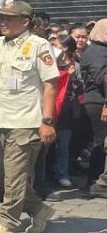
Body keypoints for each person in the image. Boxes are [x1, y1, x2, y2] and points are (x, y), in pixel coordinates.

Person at [0, 0, 60, 233]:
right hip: (0, 121)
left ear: (25, 21)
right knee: (5, 177)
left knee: (14, 178)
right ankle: (38, 209)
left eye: (9, 19)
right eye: (2, 18)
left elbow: (50, 85)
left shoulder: (38, 45)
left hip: (27, 122)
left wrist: (47, 121)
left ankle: (8, 223)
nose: (3, 22)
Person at [52, 35, 83, 189]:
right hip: (50, 109)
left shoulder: (75, 66)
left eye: (56, 44)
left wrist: (72, 79)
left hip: (67, 110)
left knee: (63, 145)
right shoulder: (49, 64)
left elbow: (81, 90)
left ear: (64, 48)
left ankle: (62, 174)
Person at [82, 19, 107, 196]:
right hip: (98, 101)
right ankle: (97, 181)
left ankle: (95, 179)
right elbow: (103, 77)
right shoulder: (98, 51)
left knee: (100, 140)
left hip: (98, 99)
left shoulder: (98, 50)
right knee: (100, 141)